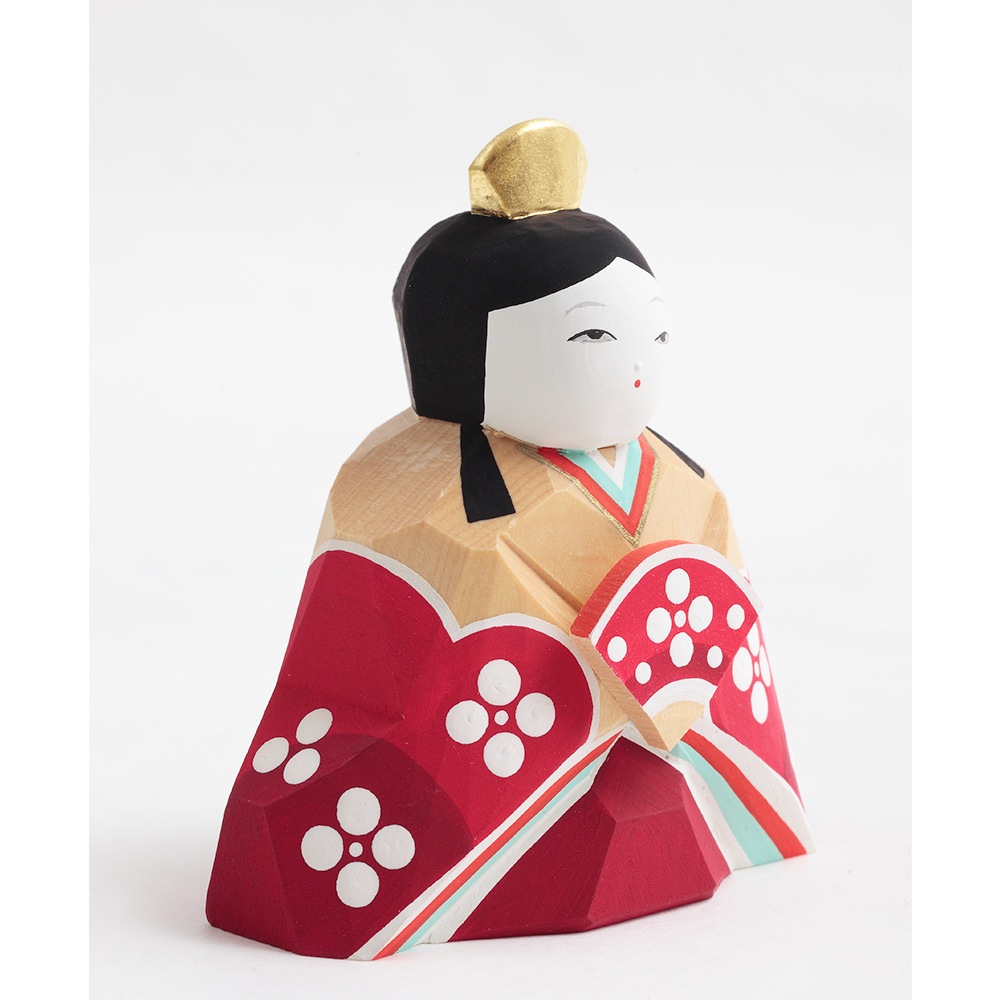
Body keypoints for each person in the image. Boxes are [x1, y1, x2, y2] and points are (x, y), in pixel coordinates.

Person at [207, 120, 812, 960]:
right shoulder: (407, 493)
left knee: (667, 790)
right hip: (502, 783)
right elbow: (379, 676)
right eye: (594, 336)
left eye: (655, 333)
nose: (637, 365)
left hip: (668, 756)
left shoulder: (684, 479)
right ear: (465, 349)